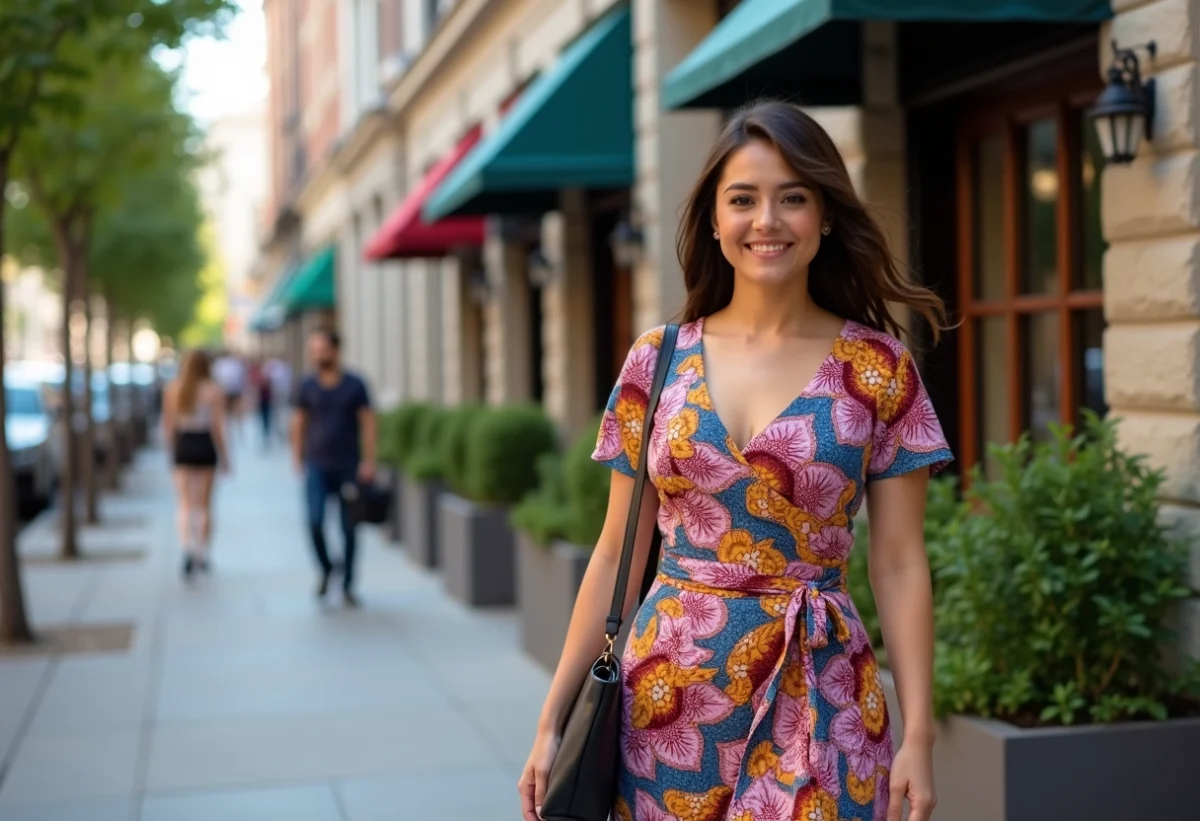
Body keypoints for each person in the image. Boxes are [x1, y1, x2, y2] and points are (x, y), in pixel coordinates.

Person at [518, 100, 953, 821]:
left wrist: (922, 733)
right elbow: (614, 557)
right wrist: (551, 717)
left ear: (827, 216)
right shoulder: (657, 361)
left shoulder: (879, 368)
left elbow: (902, 561)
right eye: (743, 199)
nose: (767, 221)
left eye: (794, 198)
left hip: (823, 695)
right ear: (715, 222)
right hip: (667, 706)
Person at [290, 329, 377, 607]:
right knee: (314, 521)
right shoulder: (307, 385)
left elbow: (368, 423)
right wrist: (297, 457)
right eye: (314, 350)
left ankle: (349, 584)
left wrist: (369, 460)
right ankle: (327, 568)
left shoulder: (355, 384)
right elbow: (299, 422)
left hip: (349, 465)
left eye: (322, 349)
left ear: (336, 351)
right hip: (316, 465)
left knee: (349, 528)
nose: (318, 355)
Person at [161, 349, 231, 579]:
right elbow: (218, 427)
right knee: (204, 504)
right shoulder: (214, 390)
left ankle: (187, 548)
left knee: (184, 503)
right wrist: (226, 456)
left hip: (184, 444)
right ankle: (202, 553)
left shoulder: (174, 389)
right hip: (204, 444)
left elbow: (168, 426)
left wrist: (171, 450)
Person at [211, 349, 248, 438]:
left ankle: (233, 429)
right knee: (234, 413)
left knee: (230, 412)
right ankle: (238, 430)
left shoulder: (220, 364)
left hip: (228, 391)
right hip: (231, 391)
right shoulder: (234, 363)